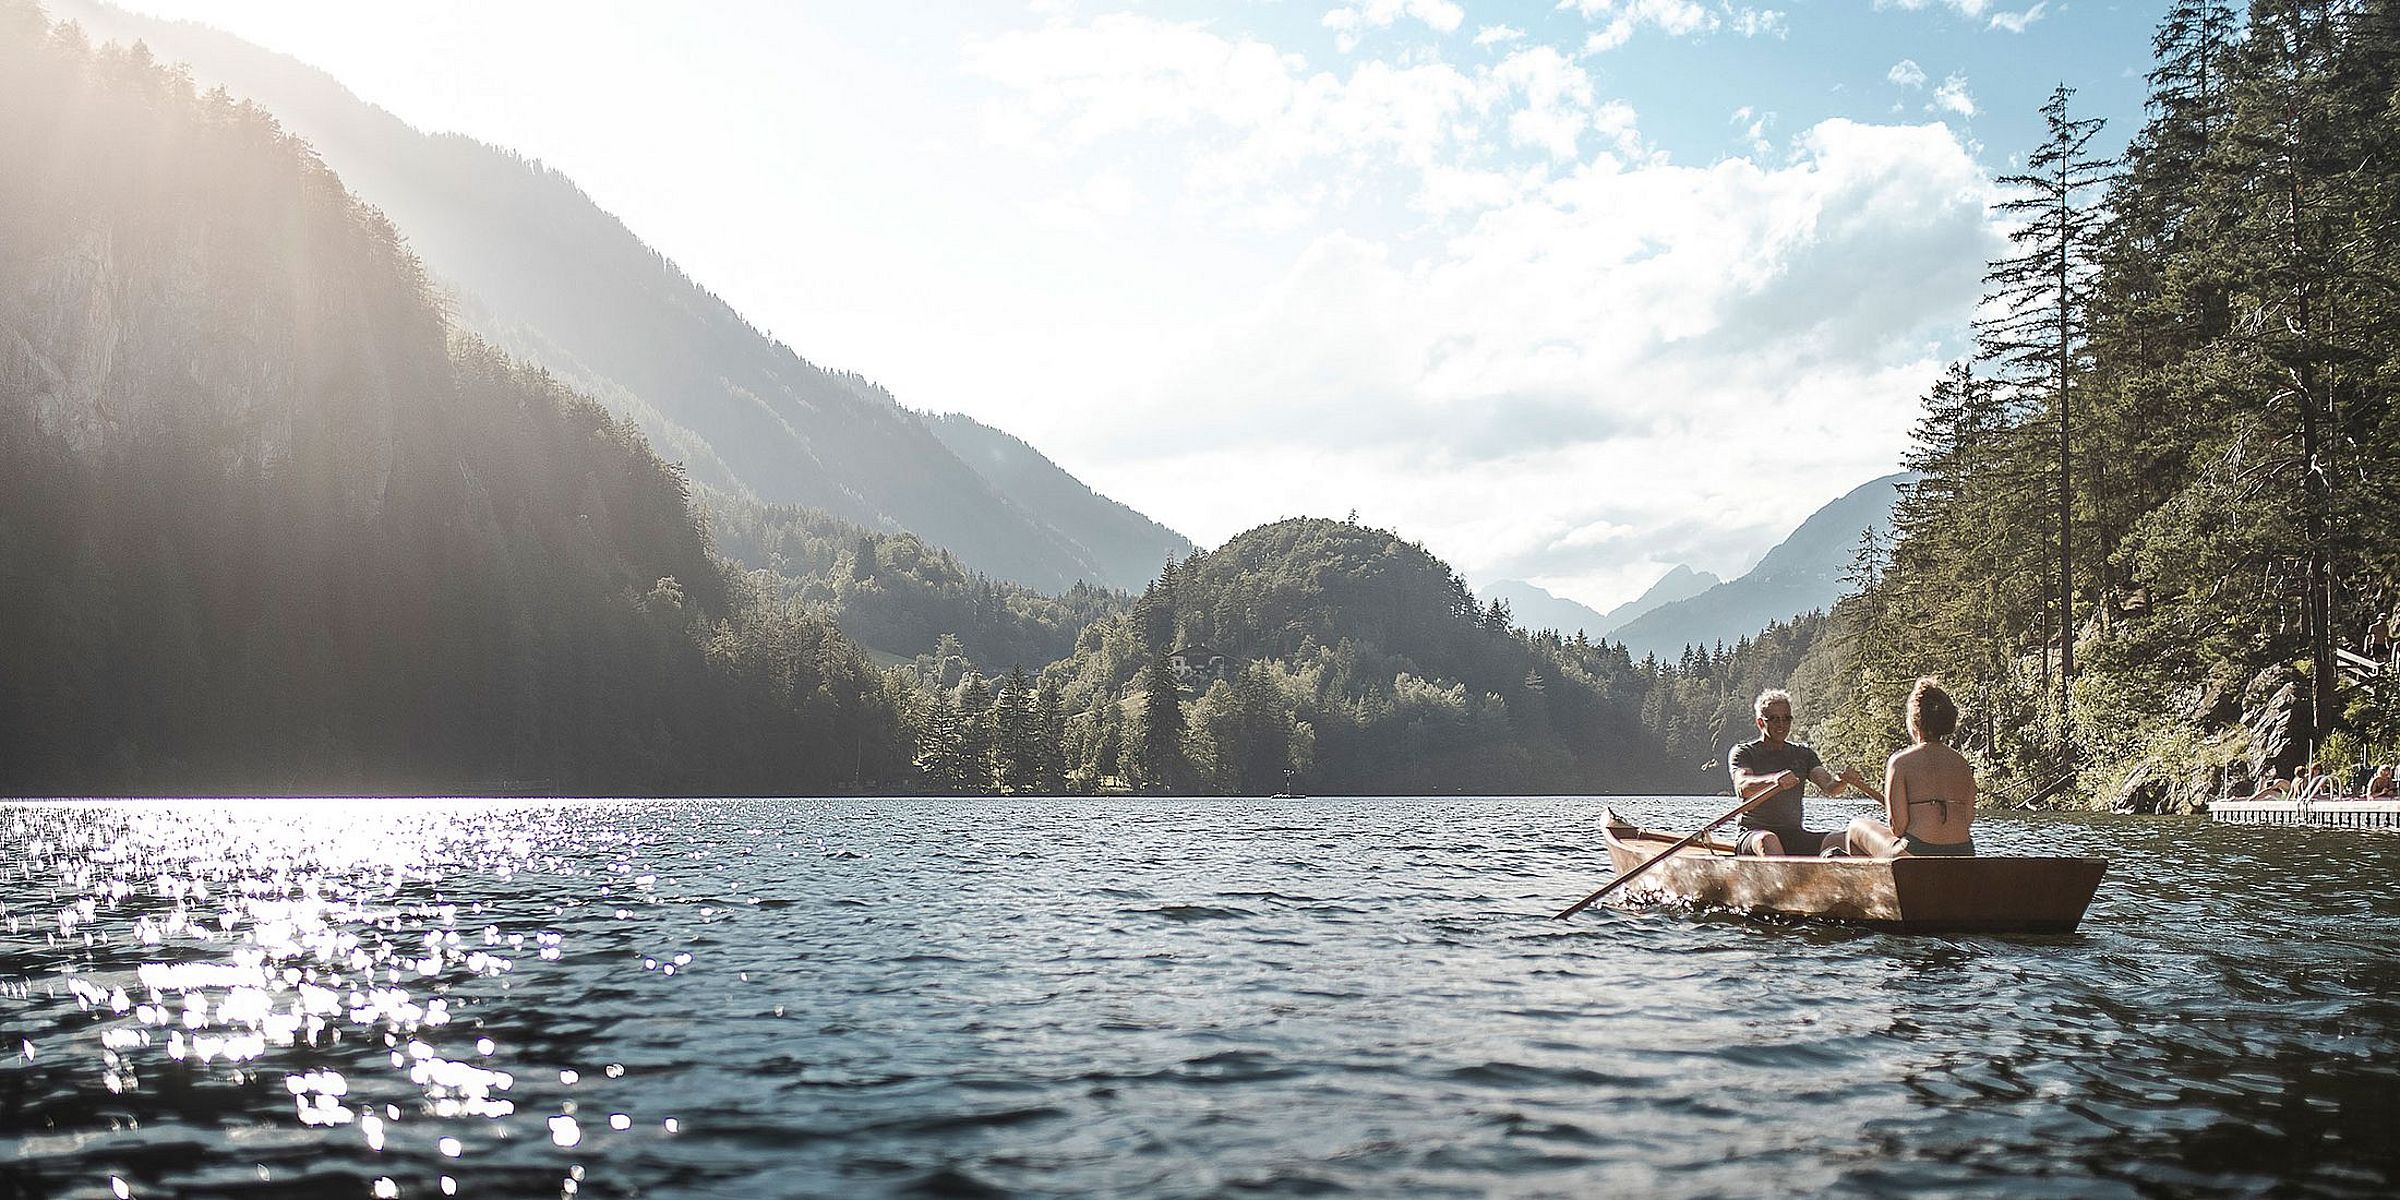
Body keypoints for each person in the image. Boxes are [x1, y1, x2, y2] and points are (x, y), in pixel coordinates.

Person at [1727, 688, 1867, 856]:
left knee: (1849, 839)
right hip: (1754, 835)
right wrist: (1774, 780)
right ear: (1760, 723)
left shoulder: (1803, 754)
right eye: (1774, 719)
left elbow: (1830, 787)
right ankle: (1783, 879)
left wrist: (1842, 779)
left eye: (1786, 718)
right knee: (1769, 841)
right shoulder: (1744, 752)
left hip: (1794, 835)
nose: (1781, 724)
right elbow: (1743, 787)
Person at [1846, 678, 1975, 858]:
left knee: (1855, 827)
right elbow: (1967, 820)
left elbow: (1897, 828)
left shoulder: (1900, 762)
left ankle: (1877, 886)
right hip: (1964, 852)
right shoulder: (1962, 764)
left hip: (1915, 852)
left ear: (1914, 722)